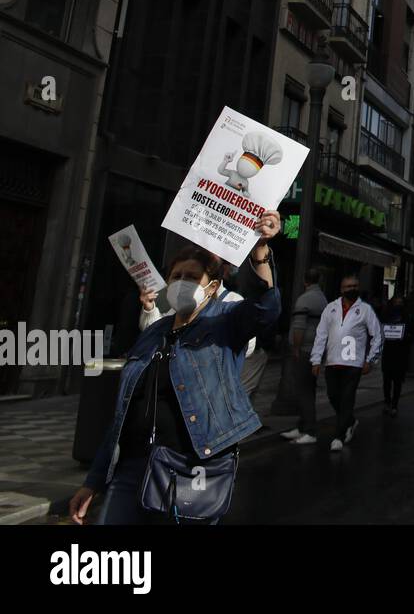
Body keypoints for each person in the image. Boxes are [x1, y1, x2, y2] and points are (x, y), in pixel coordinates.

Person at [69, 214, 282, 524]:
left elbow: (266, 308)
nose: (182, 282)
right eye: (176, 275)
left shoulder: (225, 321)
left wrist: (260, 249)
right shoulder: (153, 334)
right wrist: (94, 481)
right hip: (133, 466)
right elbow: (123, 414)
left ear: (212, 287)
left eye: (193, 277)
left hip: (192, 469)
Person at [310, 272, 383, 452]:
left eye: (355, 286)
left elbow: (378, 335)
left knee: (347, 398)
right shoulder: (331, 308)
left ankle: (339, 436)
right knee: (333, 396)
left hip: (354, 364)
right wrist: (316, 360)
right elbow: (321, 334)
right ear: (342, 289)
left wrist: (371, 359)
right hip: (333, 362)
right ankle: (350, 421)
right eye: (348, 287)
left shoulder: (365, 310)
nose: (352, 289)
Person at [281, 267, 329, 445]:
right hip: (316, 349)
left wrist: (296, 348)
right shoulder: (323, 299)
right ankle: (302, 426)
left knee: (304, 391)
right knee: (308, 389)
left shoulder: (304, 299)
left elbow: (299, 326)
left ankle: (309, 430)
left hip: (305, 350)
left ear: (304, 280)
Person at [381, 292, 413, 417]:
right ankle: (387, 401)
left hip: (400, 352)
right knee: (387, 379)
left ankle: (394, 404)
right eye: (396, 303)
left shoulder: (406, 316)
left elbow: (411, 331)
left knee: (397, 380)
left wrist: (406, 335)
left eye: (400, 303)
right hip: (389, 351)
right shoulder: (386, 315)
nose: (398, 305)